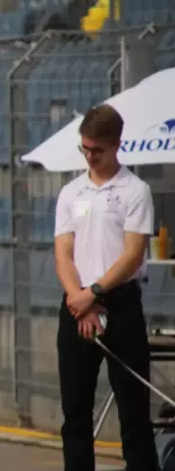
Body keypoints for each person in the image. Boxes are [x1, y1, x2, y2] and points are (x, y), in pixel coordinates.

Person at [54, 104, 159, 471]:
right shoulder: (71, 192)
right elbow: (63, 254)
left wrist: (95, 293)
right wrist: (78, 299)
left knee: (134, 413)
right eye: (85, 149)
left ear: (116, 145)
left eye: (97, 150)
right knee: (76, 413)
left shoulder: (135, 190)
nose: (90, 156)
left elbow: (133, 254)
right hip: (76, 302)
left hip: (119, 303)